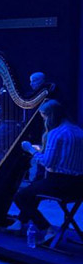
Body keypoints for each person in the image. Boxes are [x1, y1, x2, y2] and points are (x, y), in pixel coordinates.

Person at [11, 100, 83, 242]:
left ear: (50, 116)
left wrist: (30, 149)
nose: (44, 121)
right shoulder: (79, 131)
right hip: (79, 185)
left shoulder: (55, 134)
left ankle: (47, 228)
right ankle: (20, 222)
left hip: (59, 184)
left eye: (44, 117)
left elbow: (47, 162)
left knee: (20, 196)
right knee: (33, 190)